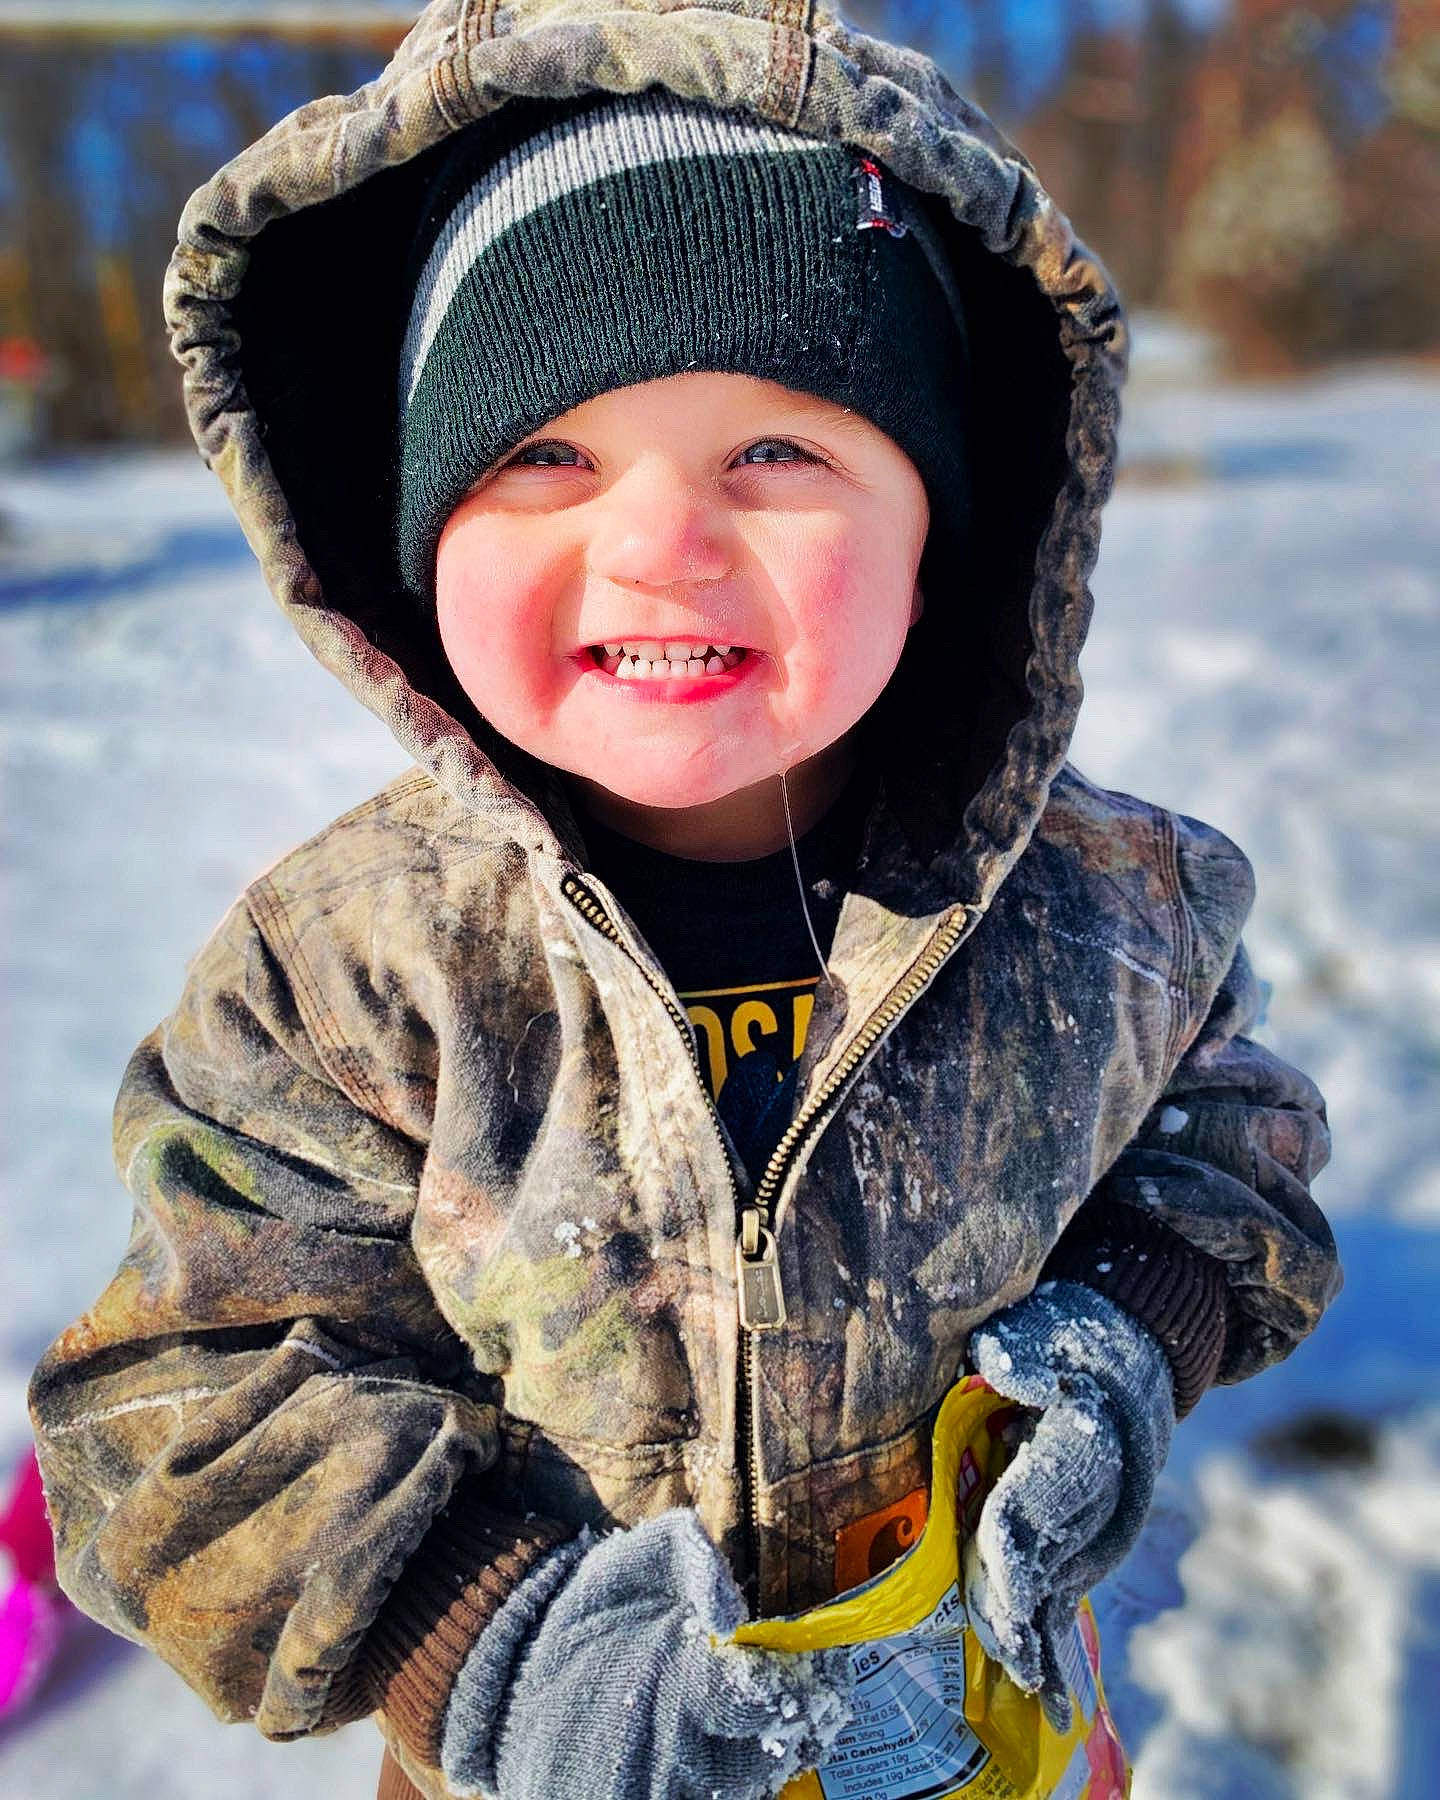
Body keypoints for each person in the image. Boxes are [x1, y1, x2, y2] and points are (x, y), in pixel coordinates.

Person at [27, 5, 1342, 1799]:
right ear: (415, 544)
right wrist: (481, 1645)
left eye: (778, 452)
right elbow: (186, 1392)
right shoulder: (347, 976)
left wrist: (1128, 1335)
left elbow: (1227, 1153)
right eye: (545, 457)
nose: (659, 544)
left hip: (984, 1724)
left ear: (939, 540)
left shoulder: (1108, 912)